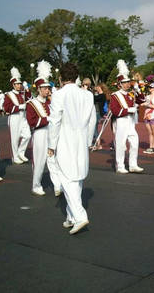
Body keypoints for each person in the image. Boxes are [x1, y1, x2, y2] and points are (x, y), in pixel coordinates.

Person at [47, 62, 96, 235]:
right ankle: (70, 216)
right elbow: (92, 120)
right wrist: (89, 140)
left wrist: (51, 145)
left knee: (67, 179)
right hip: (81, 139)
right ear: (76, 77)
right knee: (77, 177)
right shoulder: (88, 95)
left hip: (64, 139)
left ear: (60, 78)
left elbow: (54, 121)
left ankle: (80, 216)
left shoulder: (59, 95)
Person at [26, 61, 61, 196]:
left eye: (48, 88)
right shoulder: (31, 104)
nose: (48, 90)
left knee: (53, 160)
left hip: (50, 133)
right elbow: (32, 122)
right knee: (40, 161)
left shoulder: (49, 103)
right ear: (39, 89)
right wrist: (47, 119)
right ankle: (36, 185)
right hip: (40, 134)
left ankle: (57, 185)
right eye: (45, 88)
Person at [110, 60, 146, 173]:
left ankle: (133, 164)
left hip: (130, 122)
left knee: (135, 142)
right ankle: (120, 166)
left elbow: (142, 100)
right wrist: (128, 110)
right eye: (124, 82)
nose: (127, 84)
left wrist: (138, 90)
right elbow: (115, 111)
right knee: (120, 144)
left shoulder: (131, 94)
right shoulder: (115, 96)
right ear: (120, 84)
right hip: (121, 122)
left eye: (128, 82)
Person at [3, 67, 32, 165]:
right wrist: (19, 107)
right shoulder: (9, 95)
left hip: (23, 118)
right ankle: (15, 157)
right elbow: (6, 108)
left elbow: (29, 98)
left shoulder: (22, 94)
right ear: (13, 85)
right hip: (14, 117)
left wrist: (27, 89)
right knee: (14, 139)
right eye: (17, 84)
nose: (19, 86)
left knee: (27, 135)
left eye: (20, 84)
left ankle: (21, 152)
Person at [142, 82, 154, 154]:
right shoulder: (147, 97)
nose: (151, 89)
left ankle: (153, 147)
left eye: (152, 87)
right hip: (147, 115)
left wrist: (146, 104)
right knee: (149, 132)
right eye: (150, 87)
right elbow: (144, 105)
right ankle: (150, 147)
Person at [93, 83, 110, 150]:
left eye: (97, 87)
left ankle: (98, 144)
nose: (96, 87)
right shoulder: (100, 95)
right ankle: (96, 143)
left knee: (94, 128)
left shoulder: (102, 95)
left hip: (98, 113)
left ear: (100, 87)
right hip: (97, 113)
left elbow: (94, 98)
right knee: (94, 127)